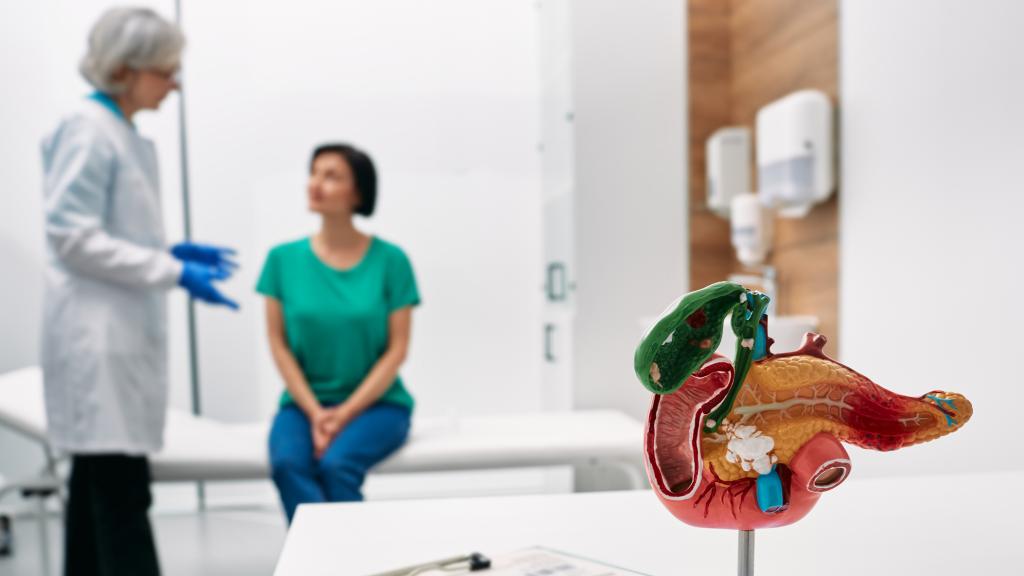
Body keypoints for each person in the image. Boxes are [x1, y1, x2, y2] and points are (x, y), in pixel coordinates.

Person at [41, 7, 237, 575]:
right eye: (166, 71)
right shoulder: (87, 128)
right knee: (120, 496)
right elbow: (72, 237)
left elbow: (110, 231)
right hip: (95, 340)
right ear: (126, 70)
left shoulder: (120, 132)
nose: (175, 84)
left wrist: (169, 253)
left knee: (99, 492)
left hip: (116, 334)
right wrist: (170, 270)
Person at [258, 143, 420, 523]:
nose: (315, 184)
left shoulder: (391, 261)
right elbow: (278, 345)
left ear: (358, 192)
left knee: (336, 466)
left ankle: (348, 559)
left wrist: (344, 414)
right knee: (287, 464)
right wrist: (316, 413)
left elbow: (397, 351)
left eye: (331, 176)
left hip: (380, 405)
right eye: (314, 173)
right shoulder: (281, 260)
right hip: (303, 404)